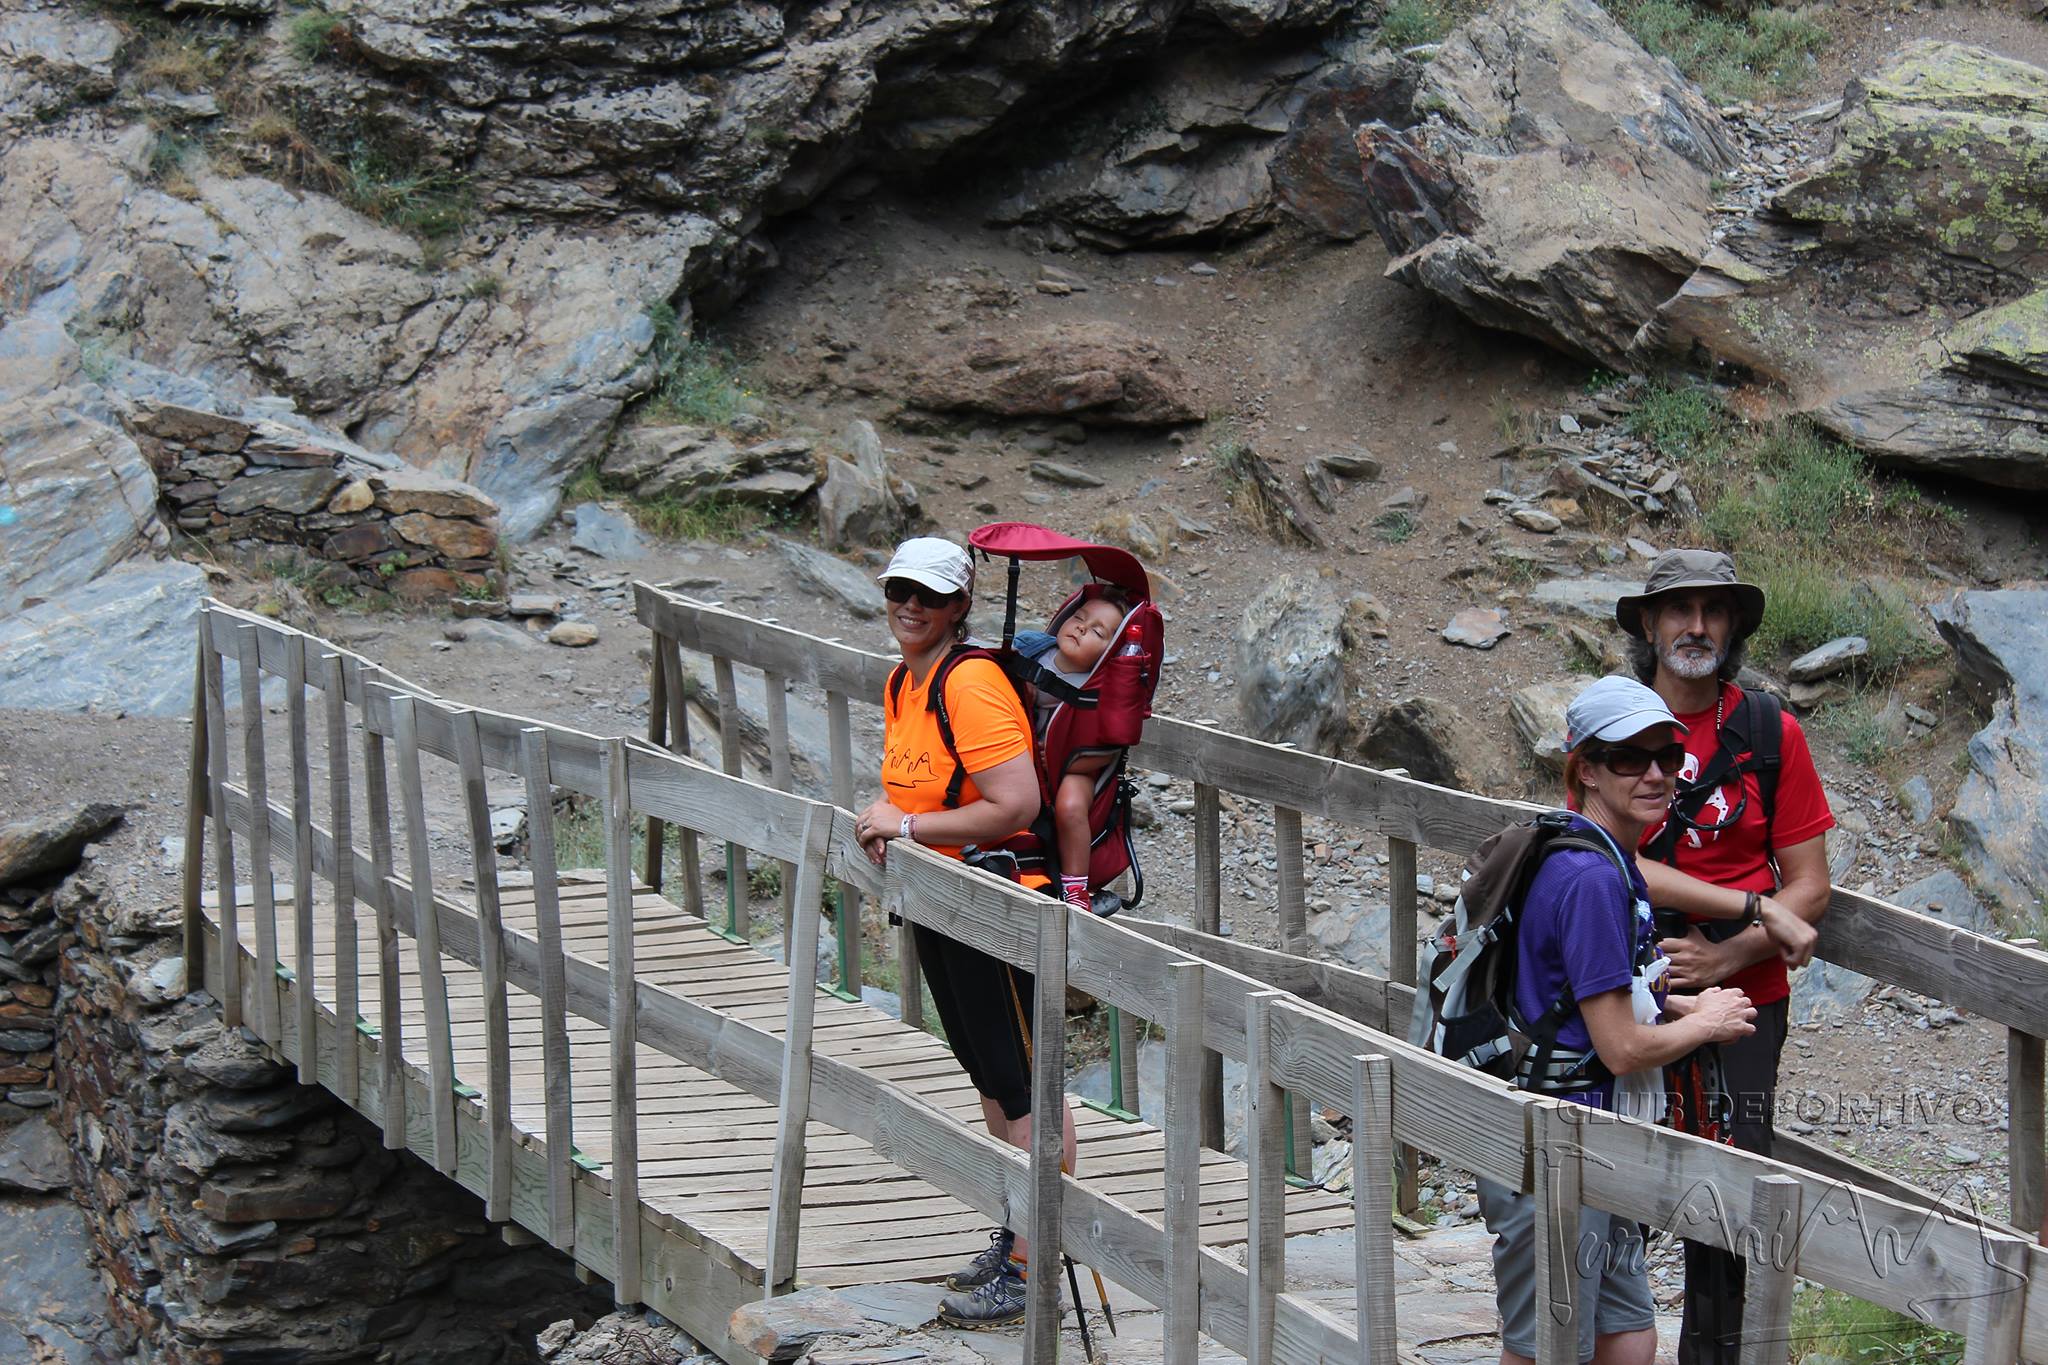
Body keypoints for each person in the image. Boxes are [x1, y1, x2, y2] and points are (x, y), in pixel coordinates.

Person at [1479, 676, 1758, 1365]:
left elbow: (1586, 991)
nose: (1655, 773)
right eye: (1629, 757)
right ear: (1587, 770)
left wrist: (1678, 1004)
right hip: (1558, 1141)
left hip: (1593, 1134)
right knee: (1547, 1347)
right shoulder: (1592, 878)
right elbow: (1623, 1047)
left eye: (1668, 755)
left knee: (1628, 1332)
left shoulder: (1590, 850)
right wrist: (1708, 1020)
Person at [852, 536, 1079, 1330]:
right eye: (899, 591)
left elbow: (1014, 803)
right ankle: (1017, 1232)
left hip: (998, 901)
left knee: (1024, 1083)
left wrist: (907, 825)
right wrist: (896, 818)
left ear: (959, 606)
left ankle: (1033, 1264)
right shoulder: (903, 681)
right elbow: (928, 788)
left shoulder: (971, 682)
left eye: (930, 595)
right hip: (943, 900)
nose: (910, 606)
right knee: (991, 1076)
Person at [1614, 548, 1833, 1365]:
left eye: (1714, 610)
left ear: (1734, 625)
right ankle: (1610, 1341)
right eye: (1680, 609)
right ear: (1649, 624)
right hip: (1627, 987)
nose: (1697, 626)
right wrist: (1751, 905)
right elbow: (1606, 858)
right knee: (1618, 1180)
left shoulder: (1770, 732)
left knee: (1733, 1194)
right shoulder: (1616, 727)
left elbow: (1810, 885)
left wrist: (1726, 956)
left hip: (1746, 999)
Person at [1012, 592, 1128, 910]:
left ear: (1110, 652)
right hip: (1020, 749)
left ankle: (1076, 887)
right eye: (1079, 617)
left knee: (1071, 806)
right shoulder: (1033, 651)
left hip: (1074, 765)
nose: (1081, 628)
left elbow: (1110, 748)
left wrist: (1063, 757)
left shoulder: (1100, 685)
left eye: (1097, 631)